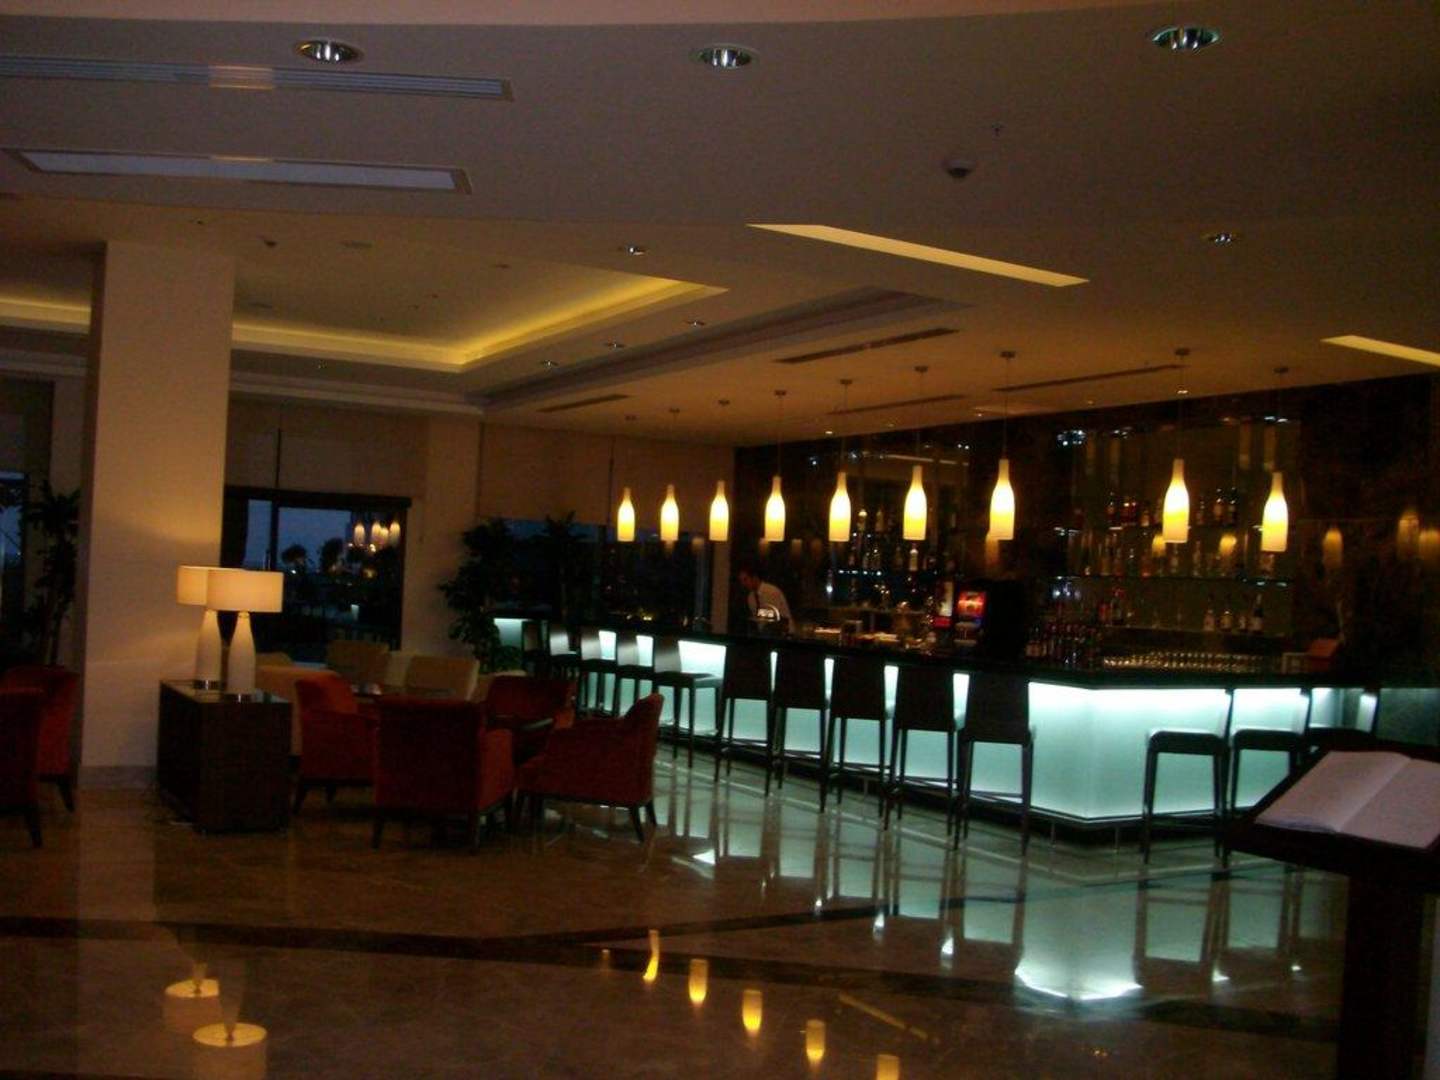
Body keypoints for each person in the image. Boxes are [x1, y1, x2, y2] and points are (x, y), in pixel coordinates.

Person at [737, 564, 793, 633]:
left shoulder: (771, 592)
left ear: (754, 577)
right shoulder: (751, 597)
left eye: (745, 580)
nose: (743, 584)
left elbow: (774, 615)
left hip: (783, 631)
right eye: (741, 581)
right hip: (765, 633)